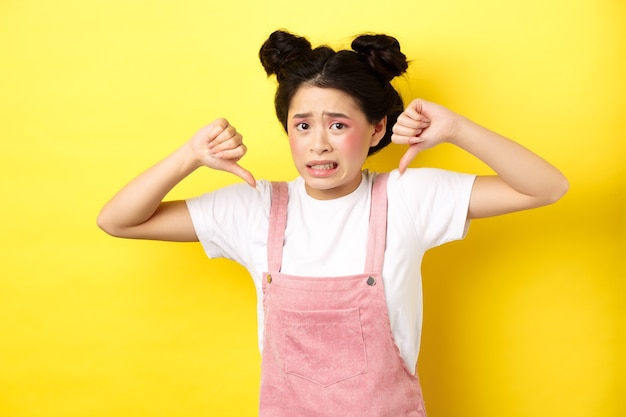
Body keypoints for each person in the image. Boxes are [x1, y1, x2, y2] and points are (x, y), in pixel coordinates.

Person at [97, 30, 568, 416]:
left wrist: (458, 129)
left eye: (338, 124)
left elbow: (545, 188)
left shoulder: (407, 196)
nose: (319, 144)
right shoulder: (253, 208)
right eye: (303, 125)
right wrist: (189, 157)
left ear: (378, 128)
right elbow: (118, 220)